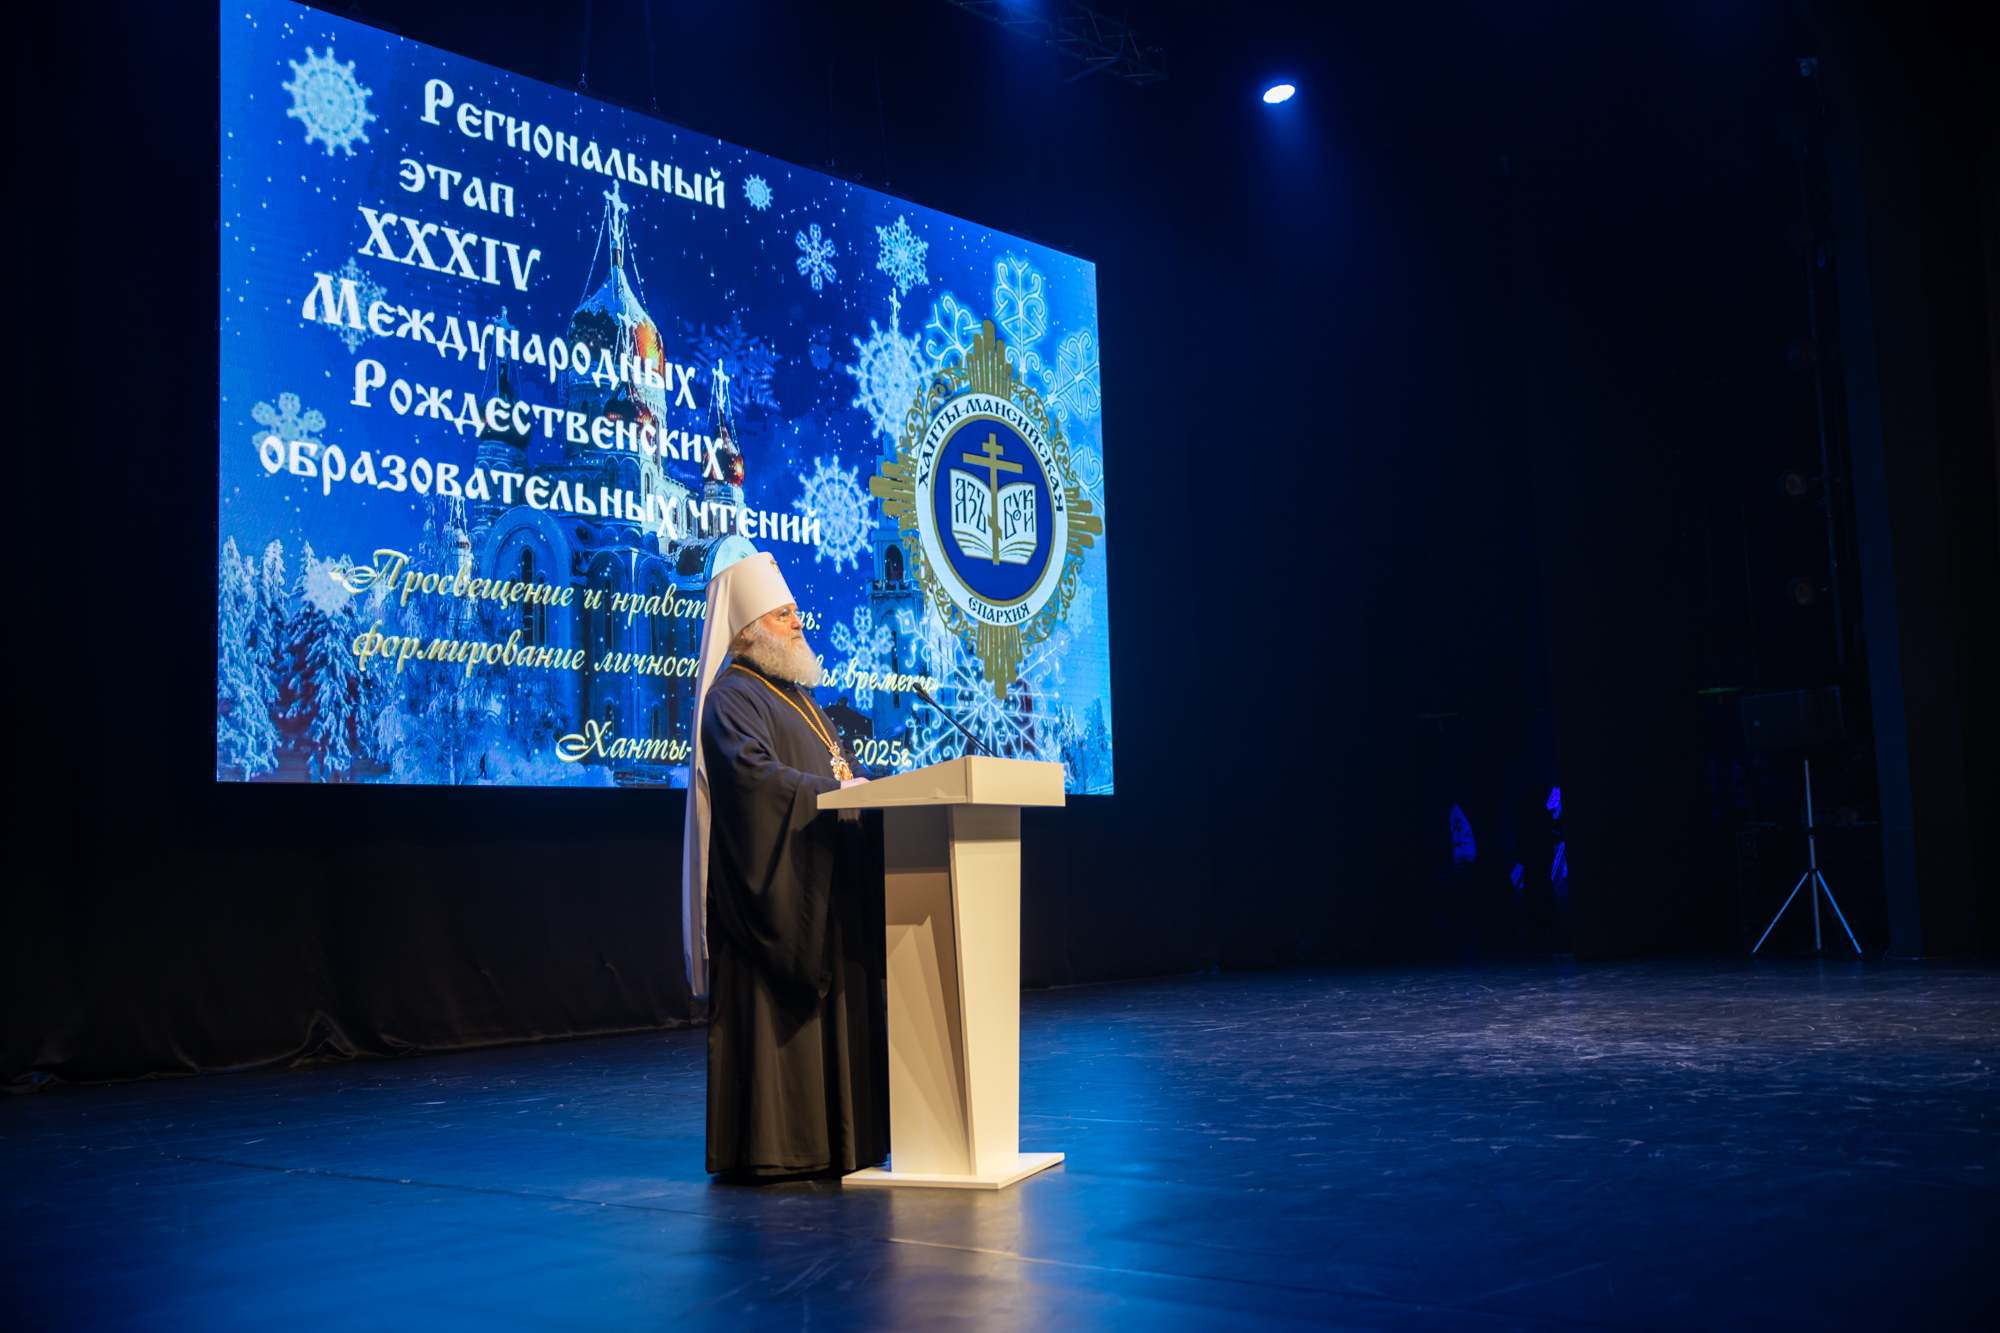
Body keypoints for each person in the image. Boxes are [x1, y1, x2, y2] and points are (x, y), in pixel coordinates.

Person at [680, 552, 887, 1179]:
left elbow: (839, 769)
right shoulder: (730, 697)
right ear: (749, 632)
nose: (799, 622)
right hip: (773, 902)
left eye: (796, 612)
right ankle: (781, 1150)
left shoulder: (799, 697)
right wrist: (831, 794)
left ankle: (844, 1141)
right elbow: (752, 782)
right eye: (784, 614)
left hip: (825, 886)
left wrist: (867, 790)